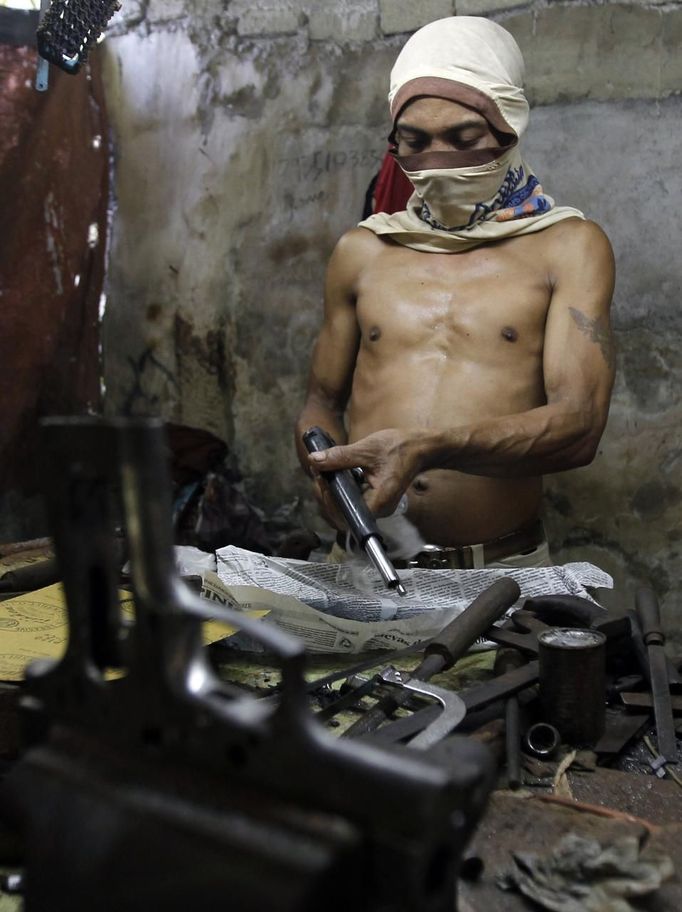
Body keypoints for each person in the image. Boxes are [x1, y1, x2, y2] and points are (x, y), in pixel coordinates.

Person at [294, 16, 615, 570]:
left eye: (464, 139)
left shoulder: (568, 247)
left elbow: (579, 427)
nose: (437, 160)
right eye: (415, 142)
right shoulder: (364, 250)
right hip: (362, 564)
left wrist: (427, 447)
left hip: (495, 572)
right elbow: (320, 404)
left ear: (509, 128)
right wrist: (326, 469)